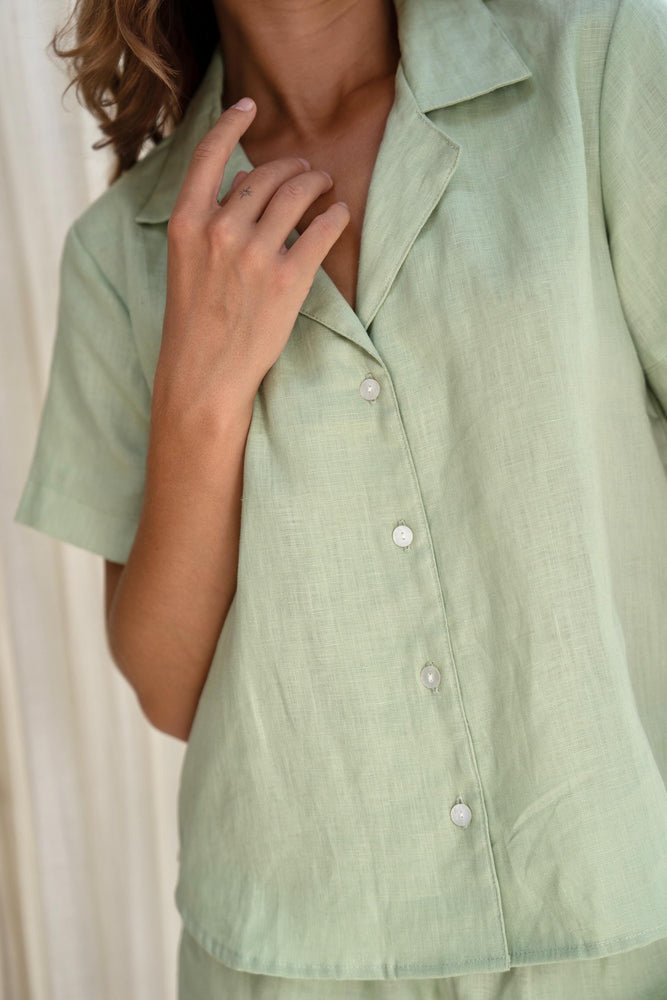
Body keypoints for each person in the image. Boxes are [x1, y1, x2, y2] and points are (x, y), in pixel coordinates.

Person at [14, 0, 667, 996]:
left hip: (624, 917)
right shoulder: (122, 250)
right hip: (289, 958)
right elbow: (170, 686)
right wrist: (200, 396)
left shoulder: (601, 60)